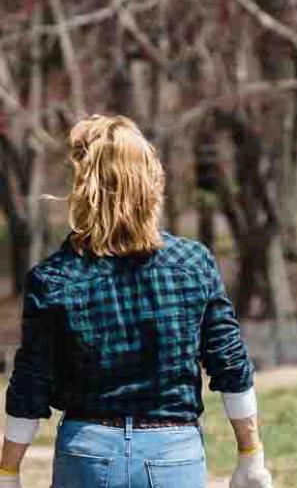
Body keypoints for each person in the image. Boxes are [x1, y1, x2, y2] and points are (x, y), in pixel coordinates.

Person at [0, 115, 273, 488]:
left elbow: (31, 381)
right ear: (151, 183)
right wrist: (250, 456)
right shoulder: (193, 265)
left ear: (83, 186)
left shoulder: (54, 278)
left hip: (88, 453)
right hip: (174, 452)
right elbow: (230, 363)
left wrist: (9, 471)